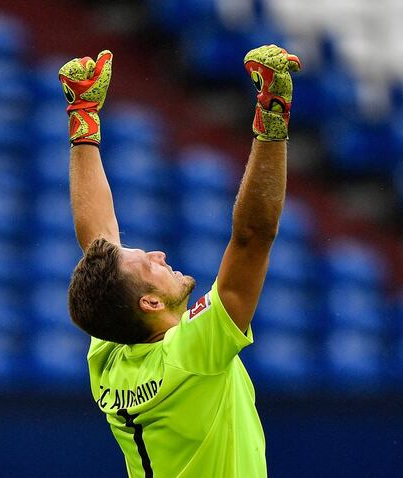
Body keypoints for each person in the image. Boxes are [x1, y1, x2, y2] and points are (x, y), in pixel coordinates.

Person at [59, 44, 301, 478]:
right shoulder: (191, 354)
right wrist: (273, 119)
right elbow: (252, 238)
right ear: (149, 303)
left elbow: (98, 239)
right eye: (148, 264)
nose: (158, 254)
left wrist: (84, 123)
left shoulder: (113, 354)